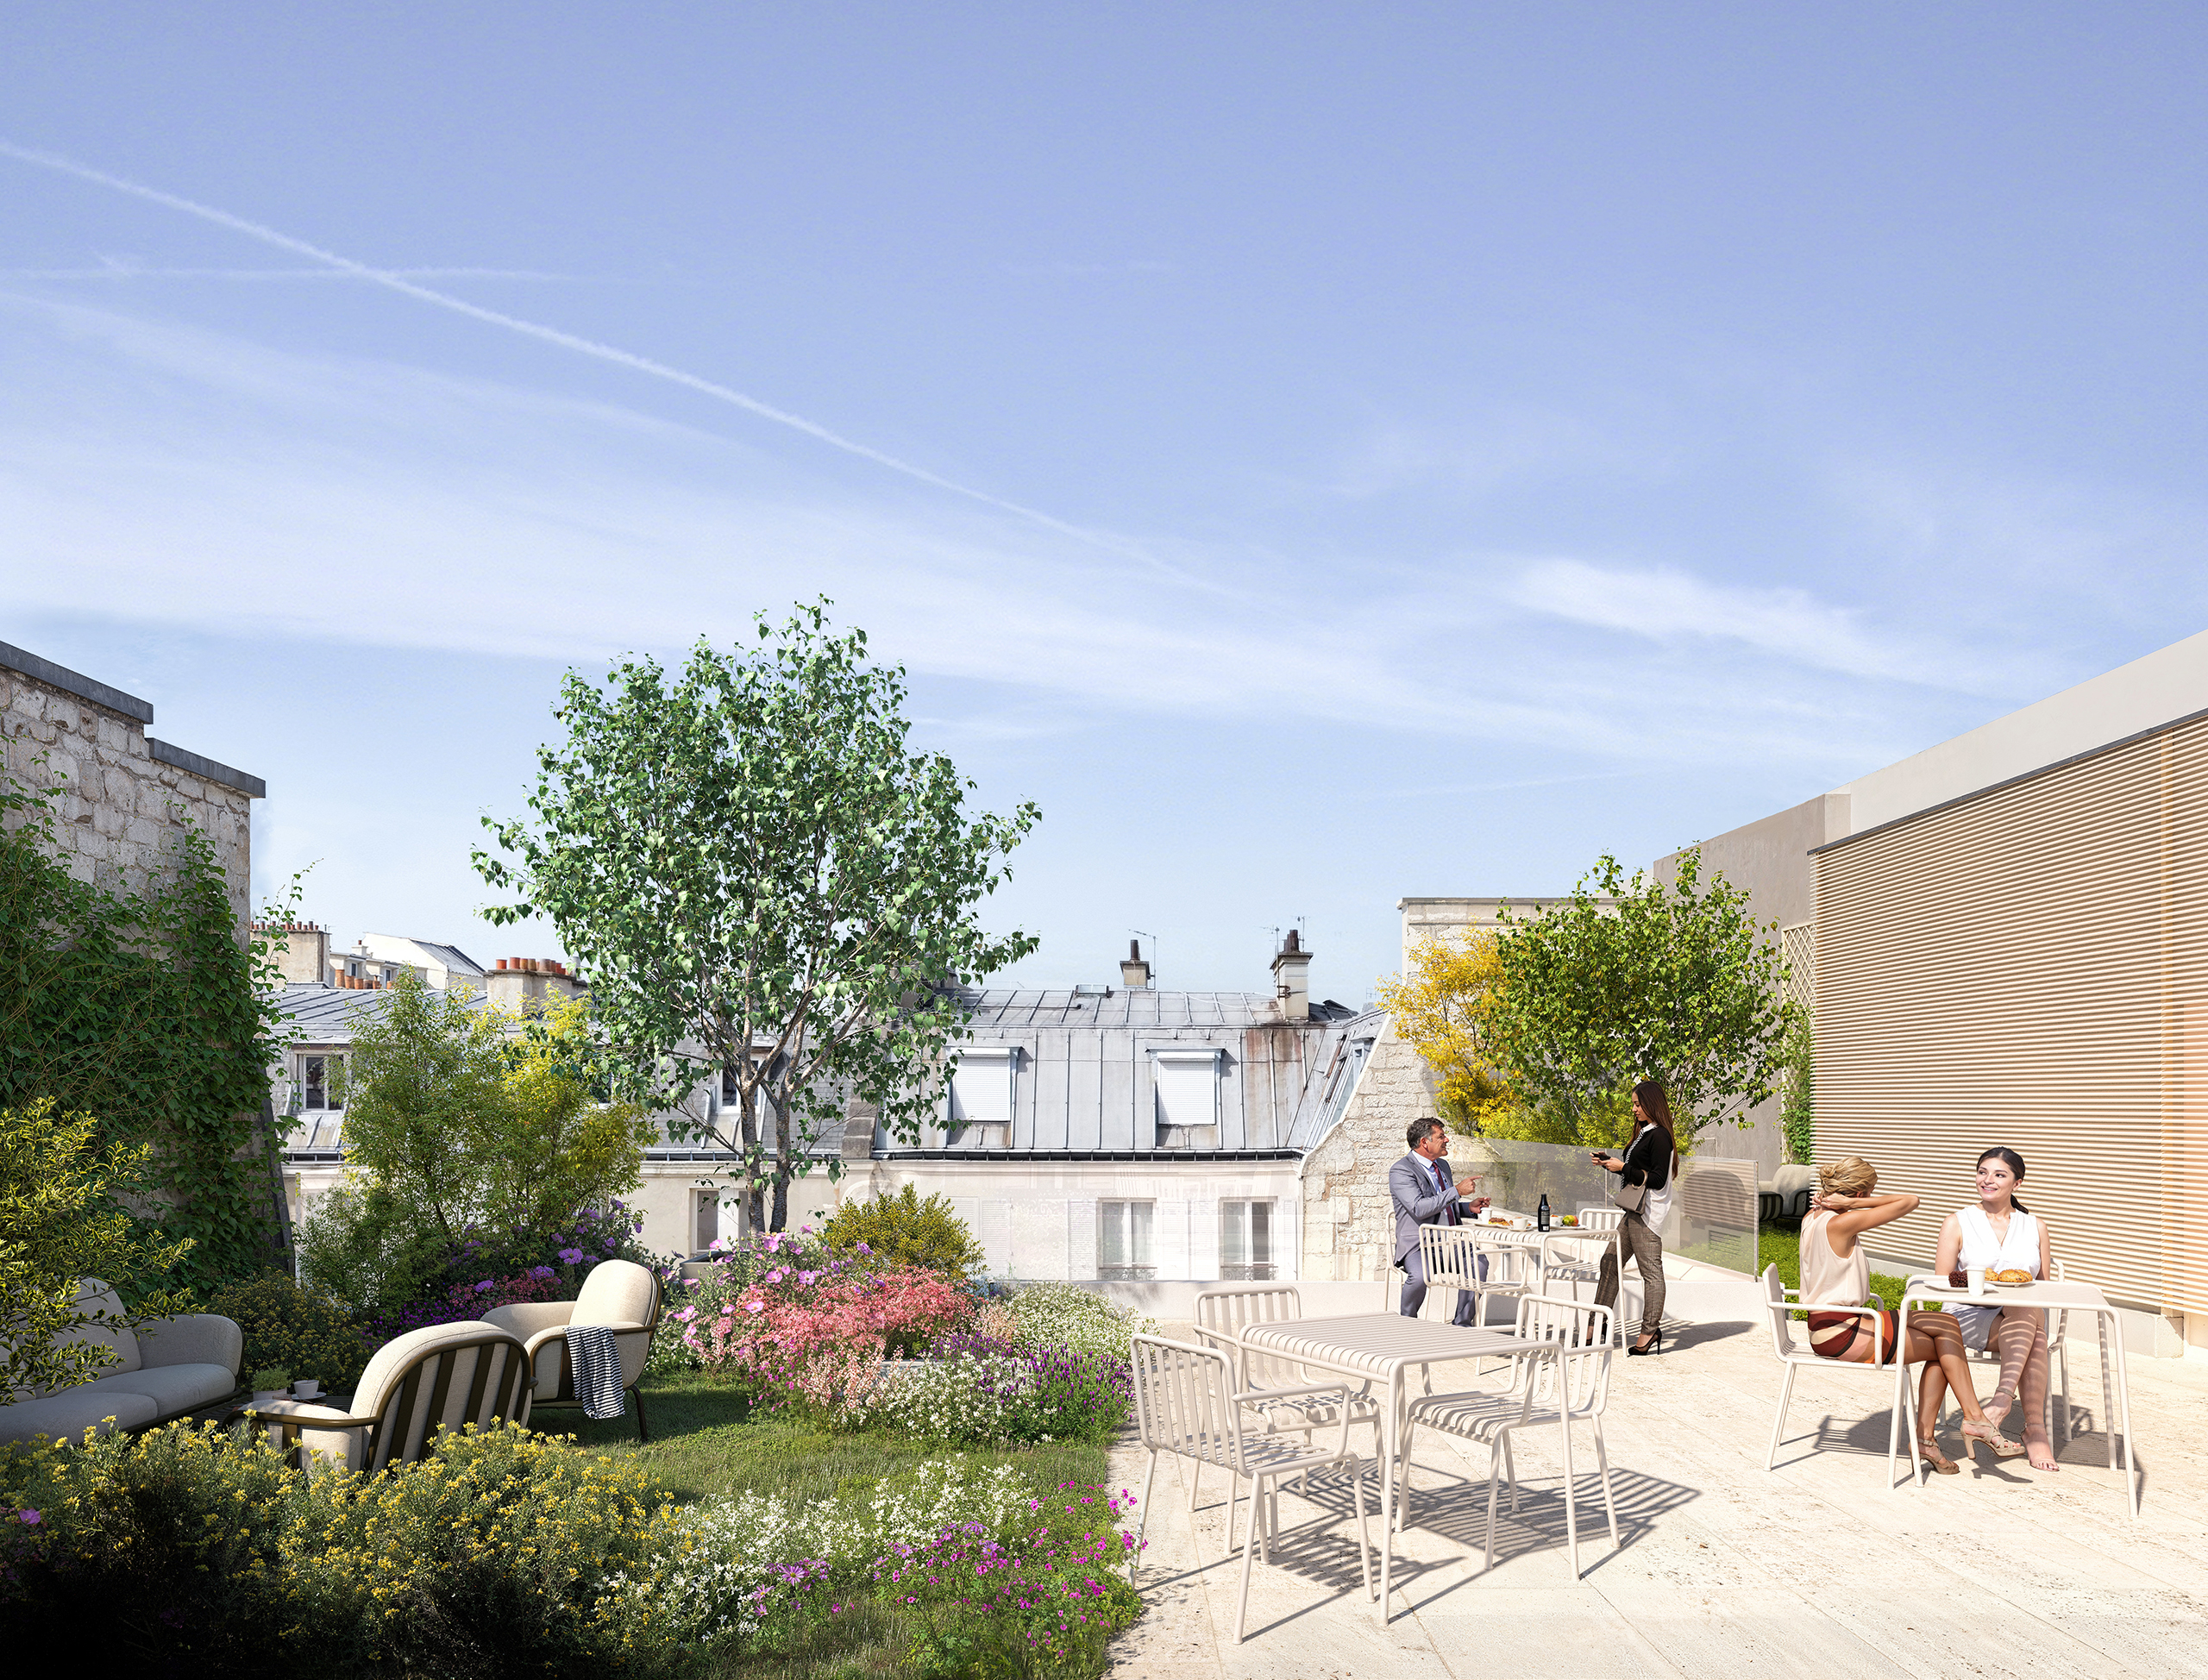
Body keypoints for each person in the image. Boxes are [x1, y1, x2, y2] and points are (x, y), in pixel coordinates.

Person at [1803, 1156, 2023, 1474]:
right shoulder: (1841, 1222)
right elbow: (1910, 1201)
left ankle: (1942, 1433)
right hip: (1841, 1330)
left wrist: (1847, 1201)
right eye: (1870, 1193)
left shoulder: (1813, 1216)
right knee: (1947, 1345)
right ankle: (1967, 1423)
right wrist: (1853, 1203)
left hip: (1838, 1323)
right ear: (1860, 1194)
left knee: (1947, 1327)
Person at [1932, 1146, 2060, 1472]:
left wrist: (2013, 1294)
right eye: (1982, 1172)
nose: (1987, 1180)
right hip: (1966, 1314)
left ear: (2017, 1183)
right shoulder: (1957, 1222)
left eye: (1999, 1174)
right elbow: (1941, 1281)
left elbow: (2042, 1286)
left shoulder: (2035, 1226)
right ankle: (2033, 1427)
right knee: (2034, 1333)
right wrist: (1980, 1282)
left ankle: (2002, 1401)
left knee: (2026, 1308)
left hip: (2017, 1318)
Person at [1592, 1079, 1675, 1355]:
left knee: (1650, 1273)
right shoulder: (1644, 1133)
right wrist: (1612, 1164)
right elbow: (1636, 1171)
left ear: (1651, 1104)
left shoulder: (1660, 1135)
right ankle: (1597, 1323)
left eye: (1638, 1104)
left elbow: (1659, 1179)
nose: (1634, 1110)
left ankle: (1650, 1330)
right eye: (1633, 1105)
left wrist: (1623, 1167)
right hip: (1633, 1210)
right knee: (1610, 1262)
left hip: (1647, 1213)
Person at [1391, 1117, 1480, 1324]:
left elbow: (1442, 1207)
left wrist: (1469, 1208)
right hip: (1419, 1245)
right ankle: (1407, 1323)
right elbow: (1419, 1208)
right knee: (1421, 1276)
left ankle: (1461, 1325)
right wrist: (1456, 1190)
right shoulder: (1401, 1170)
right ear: (1424, 1142)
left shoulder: (1443, 1166)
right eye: (1441, 1136)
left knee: (1479, 1262)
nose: (1447, 1140)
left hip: (1451, 1242)